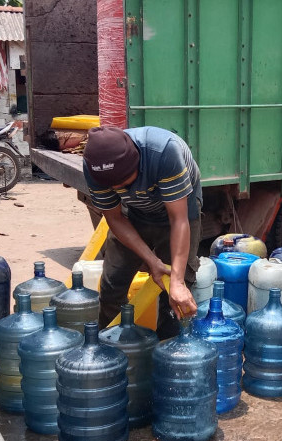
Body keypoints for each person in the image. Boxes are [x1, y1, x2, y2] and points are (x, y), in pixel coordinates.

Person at [82, 126, 202, 338]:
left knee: (175, 291)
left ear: (137, 161)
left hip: (178, 213)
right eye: (115, 186)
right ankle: (109, 352)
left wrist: (176, 281)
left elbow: (179, 220)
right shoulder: (94, 168)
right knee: (112, 283)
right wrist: (151, 260)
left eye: (126, 181)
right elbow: (115, 218)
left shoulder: (164, 152)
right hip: (133, 214)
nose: (122, 188)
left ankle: (168, 352)